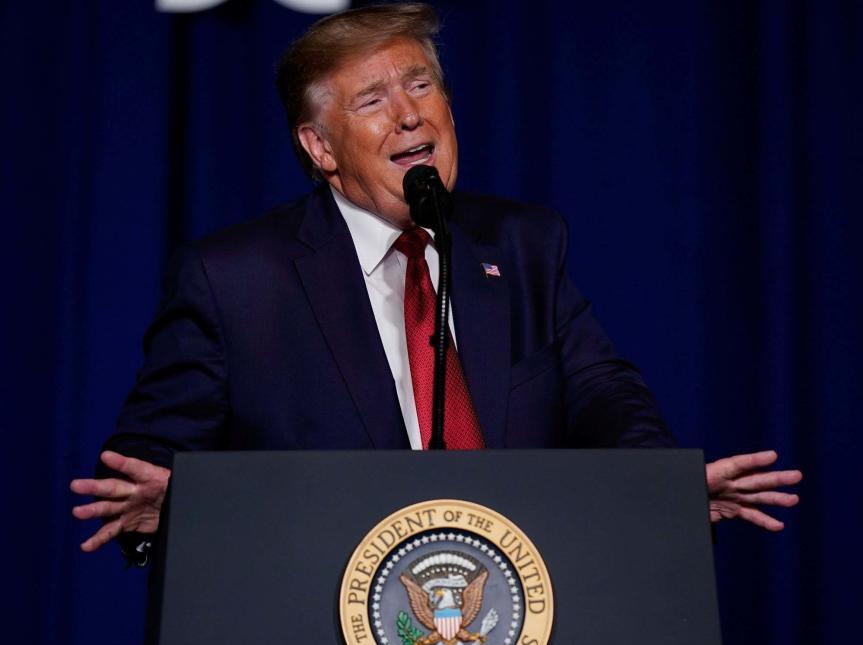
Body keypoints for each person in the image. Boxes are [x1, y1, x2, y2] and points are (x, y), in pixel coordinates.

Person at [70, 4, 800, 565]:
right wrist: (179, 508)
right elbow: (147, 468)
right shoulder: (235, 278)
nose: (409, 112)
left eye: (420, 84)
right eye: (372, 101)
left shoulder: (522, 245)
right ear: (320, 146)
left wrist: (661, 488)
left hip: (517, 617)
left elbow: (605, 392)